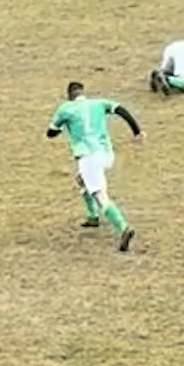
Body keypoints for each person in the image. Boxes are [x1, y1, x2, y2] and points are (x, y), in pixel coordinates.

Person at [46, 82, 142, 251]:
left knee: (100, 196)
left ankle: (123, 227)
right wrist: (136, 131)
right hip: (106, 154)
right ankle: (92, 216)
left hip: (88, 157)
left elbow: (50, 133)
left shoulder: (66, 109)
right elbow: (121, 109)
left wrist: (62, 126)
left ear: (69, 95)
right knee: (82, 179)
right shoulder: (99, 103)